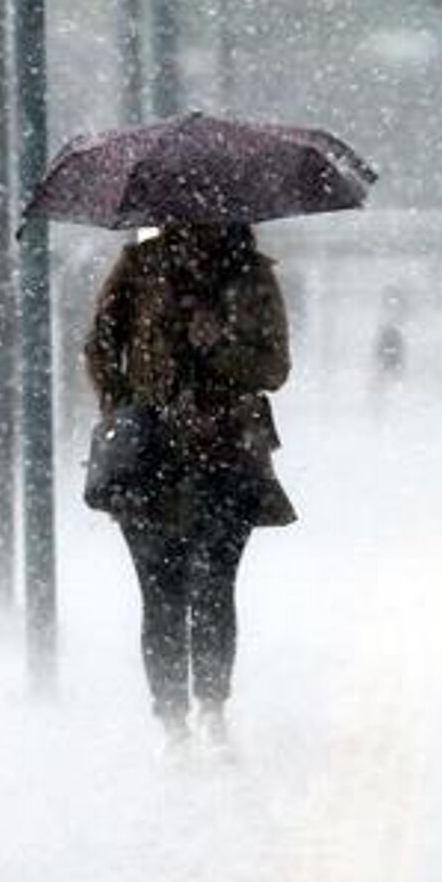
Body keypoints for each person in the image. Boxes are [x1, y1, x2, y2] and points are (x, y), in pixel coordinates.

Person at [83, 223, 295, 754]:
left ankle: (211, 708)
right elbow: (100, 345)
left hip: (226, 454)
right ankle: (173, 719)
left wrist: (219, 346)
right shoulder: (140, 268)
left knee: (215, 587)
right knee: (161, 593)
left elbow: (274, 368)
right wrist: (125, 407)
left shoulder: (252, 275)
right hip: (149, 459)